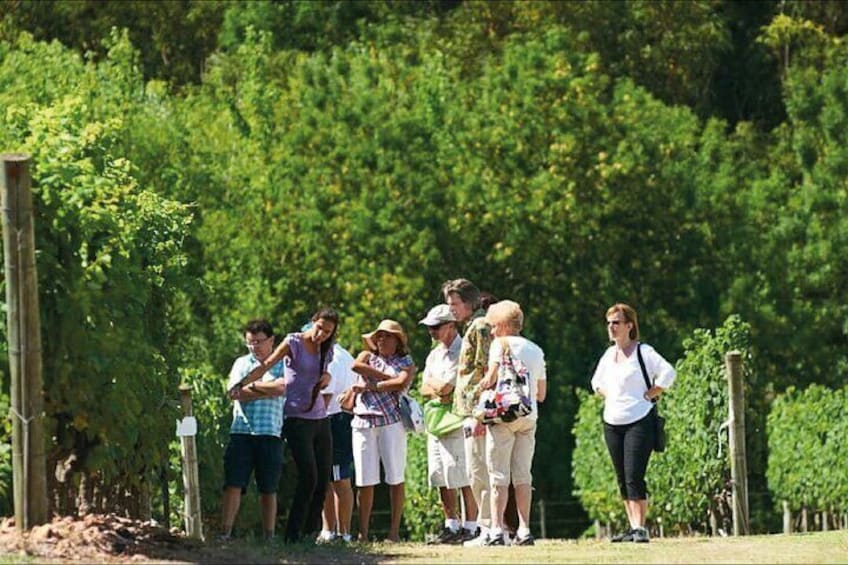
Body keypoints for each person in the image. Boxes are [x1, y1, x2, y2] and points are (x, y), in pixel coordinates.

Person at [237, 308, 339, 543]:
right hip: (296, 419)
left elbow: (325, 374)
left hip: (320, 419)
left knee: (323, 479)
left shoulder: (327, 348)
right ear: (313, 322)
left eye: (328, 331)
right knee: (308, 476)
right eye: (320, 327)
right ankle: (292, 534)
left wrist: (327, 378)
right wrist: (242, 384)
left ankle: (310, 533)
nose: (322, 333)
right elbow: (265, 365)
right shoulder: (294, 341)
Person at [591, 303, 676, 543]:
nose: (611, 327)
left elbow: (669, 373)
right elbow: (596, 382)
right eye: (609, 323)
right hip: (612, 422)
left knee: (634, 474)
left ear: (630, 326)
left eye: (616, 322)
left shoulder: (644, 352)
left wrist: (651, 393)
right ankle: (632, 526)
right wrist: (611, 396)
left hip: (639, 419)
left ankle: (640, 527)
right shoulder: (609, 355)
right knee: (621, 476)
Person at [477, 300, 547, 546]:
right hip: (528, 417)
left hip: (503, 417)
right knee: (523, 475)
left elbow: (491, 378)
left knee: (498, 475)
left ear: (505, 325)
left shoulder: (500, 345)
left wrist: (479, 388)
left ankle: (497, 529)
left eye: (494, 326)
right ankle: (525, 529)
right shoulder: (536, 350)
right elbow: (541, 394)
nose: (493, 332)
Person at [220, 319, 286, 541]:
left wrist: (252, 387)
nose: (255, 347)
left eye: (259, 341)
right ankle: (225, 533)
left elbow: (282, 387)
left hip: (270, 432)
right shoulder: (241, 363)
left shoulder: (283, 363)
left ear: (271, 340)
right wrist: (265, 389)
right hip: (242, 431)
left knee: (269, 487)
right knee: (234, 483)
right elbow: (234, 392)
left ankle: (269, 536)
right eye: (250, 342)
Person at [350, 319, 416, 542]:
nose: (381, 339)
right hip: (363, 421)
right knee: (364, 479)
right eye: (379, 336)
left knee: (395, 476)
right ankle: (363, 533)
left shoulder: (406, 361)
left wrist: (370, 385)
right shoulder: (366, 356)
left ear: (397, 340)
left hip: (391, 421)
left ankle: (394, 532)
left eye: (387, 336)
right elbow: (356, 366)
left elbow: (402, 383)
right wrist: (387, 377)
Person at [419, 304, 478, 544]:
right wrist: (438, 388)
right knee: (440, 475)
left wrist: (437, 387)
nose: (431, 331)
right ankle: (451, 525)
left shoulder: (464, 350)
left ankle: (471, 525)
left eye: (436, 327)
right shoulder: (434, 354)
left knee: (462, 474)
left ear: (451, 325)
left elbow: (447, 389)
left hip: (456, 420)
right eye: (430, 327)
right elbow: (426, 389)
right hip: (436, 422)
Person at [442, 278, 492, 545]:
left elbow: (486, 370)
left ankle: (487, 529)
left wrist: (480, 413)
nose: (451, 309)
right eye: (448, 303)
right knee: (475, 470)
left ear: (470, 303)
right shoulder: (473, 325)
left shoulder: (481, 326)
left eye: (455, 304)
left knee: (480, 470)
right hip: (469, 411)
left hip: (477, 412)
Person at [317, 341, 357, 544]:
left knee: (338, 479)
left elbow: (325, 396)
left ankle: (339, 532)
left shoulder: (330, 358)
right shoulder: (346, 355)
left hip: (333, 420)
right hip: (344, 418)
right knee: (332, 478)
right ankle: (334, 531)